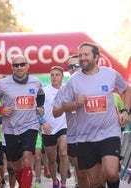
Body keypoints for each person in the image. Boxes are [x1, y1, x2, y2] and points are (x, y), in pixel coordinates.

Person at [62, 42, 131, 188]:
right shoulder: (74, 80)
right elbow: (62, 106)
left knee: (111, 172)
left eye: (86, 54)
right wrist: (75, 104)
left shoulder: (110, 74)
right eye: (80, 55)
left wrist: (125, 111)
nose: (82, 58)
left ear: (96, 57)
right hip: (86, 136)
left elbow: (127, 89)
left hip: (109, 132)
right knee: (94, 182)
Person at [0, 55, 45, 188]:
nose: (19, 67)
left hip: (30, 125)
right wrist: (0, 109)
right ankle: (23, 182)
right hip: (10, 128)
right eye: (16, 65)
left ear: (27, 65)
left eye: (22, 64)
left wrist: (39, 107)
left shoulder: (36, 82)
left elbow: (41, 95)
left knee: (27, 158)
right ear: (12, 67)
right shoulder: (3, 84)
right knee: (16, 166)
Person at [52, 54, 91, 188]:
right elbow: (55, 112)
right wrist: (68, 105)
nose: (73, 68)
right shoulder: (64, 89)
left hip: (96, 135)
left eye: (77, 65)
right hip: (76, 137)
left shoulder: (94, 83)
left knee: (97, 173)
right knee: (81, 173)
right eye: (70, 66)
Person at [41, 66, 69, 188]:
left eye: (57, 75)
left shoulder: (67, 90)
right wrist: (43, 123)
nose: (54, 77)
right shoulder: (43, 91)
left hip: (63, 126)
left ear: (62, 77)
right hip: (48, 128)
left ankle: (63, 183)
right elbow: (37, 110)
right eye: (52, 75)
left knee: (63, 153)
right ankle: (55, 181)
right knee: (51, 160)